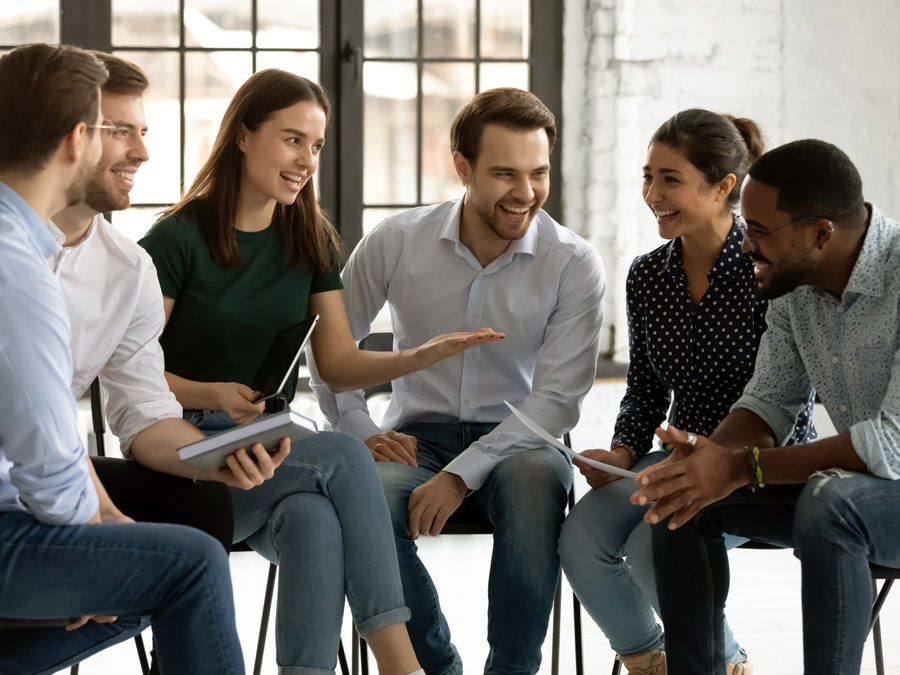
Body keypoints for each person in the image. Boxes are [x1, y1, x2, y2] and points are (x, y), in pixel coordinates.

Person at [139, 68, 500, 675]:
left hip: (261, 453)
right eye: (291, 139)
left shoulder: (308, 238)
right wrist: (210, 393)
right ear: (243, 136)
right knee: (346, 455)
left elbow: (336, 364)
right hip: (180, 457)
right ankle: (400, 663)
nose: (306, 158)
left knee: (312, 519)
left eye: (316, 144)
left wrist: (419, 355)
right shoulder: (174, 241)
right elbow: (132, 374)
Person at [311, 87, 606, 675]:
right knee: (360, 505)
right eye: (504, 173)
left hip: (520, 437)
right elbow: (329, 351)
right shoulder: (396, 242)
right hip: (415, 436)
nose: (525, 193)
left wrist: (458, 475)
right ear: (462, 166)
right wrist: (359, 427)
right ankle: (435, 668)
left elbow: (555, 403)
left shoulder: (573, 263)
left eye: (538, 173)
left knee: (532, 484)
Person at [0, 43, 243, 675]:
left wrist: (211, 457)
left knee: (174, 533)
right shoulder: (19, 269)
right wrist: (94, 540)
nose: (141, 151)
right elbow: (48, 472)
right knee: (188, 565)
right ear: (76, 138)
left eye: (144, 131)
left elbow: (117, 417)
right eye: (118, 130)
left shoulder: (127, 267)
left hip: (23, 482)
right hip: (17, 504)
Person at [557, 109, 815, 674]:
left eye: (670, 179)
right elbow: (645, 387)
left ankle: (716, 664)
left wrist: (719, 461)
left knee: (658, 542)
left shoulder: (769, 269)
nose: (652, 193)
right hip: (673, 455)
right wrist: (622, 452)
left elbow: (793, 397)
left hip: (757, 464)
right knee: (581, 537)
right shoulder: (647, 275)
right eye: (647, 176)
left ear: (724, 187)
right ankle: (656, 659)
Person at [632, 139, 900, 674]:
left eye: (758, 231)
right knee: (684, 498)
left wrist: (740, 467)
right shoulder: (791, 284)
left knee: (833, 502)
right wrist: (708, 460)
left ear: (820, 231)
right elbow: (769, 400)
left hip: (874, 495)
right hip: (857, 493)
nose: (745, 242)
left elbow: (889, 443)